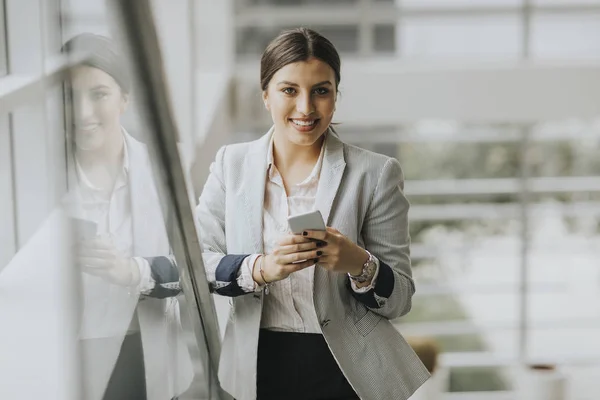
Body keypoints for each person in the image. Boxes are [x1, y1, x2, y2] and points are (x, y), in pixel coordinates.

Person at [196, 28, 430, 400]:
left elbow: (400, 299)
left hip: (343, 367)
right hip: (252, 363)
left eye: (321, 90)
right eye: (289, 90)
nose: (305, 107)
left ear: (335, 97)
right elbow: (195, 262)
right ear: (266, 96)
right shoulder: (231, 164)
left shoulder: (376, 173)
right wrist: (260, 269)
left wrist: (359, 263)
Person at [62, 33, 193, 400]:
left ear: (125, 98)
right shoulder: (37, 177)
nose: (82, 112)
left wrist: (130, 271)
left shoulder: (166, 167)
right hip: (71, 358)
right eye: (69, 97)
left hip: (148, 354)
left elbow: (194, 266)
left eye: (98, 94)